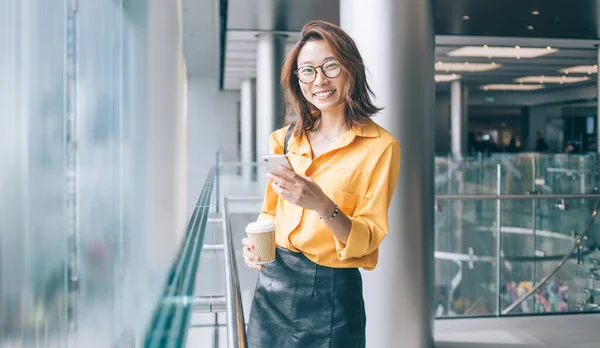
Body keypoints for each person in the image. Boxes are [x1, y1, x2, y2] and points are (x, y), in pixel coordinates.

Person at [241, 20, 400, 348]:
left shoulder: (380, 147)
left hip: (330, 292)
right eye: (308, 71)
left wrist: (323, 206)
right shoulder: (283, 140)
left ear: (350, 70)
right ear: (298, 80)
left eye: (330, 66)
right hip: (273, 286)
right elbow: (270, 211)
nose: (320, 80)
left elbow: (368, 239)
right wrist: (255, 245)